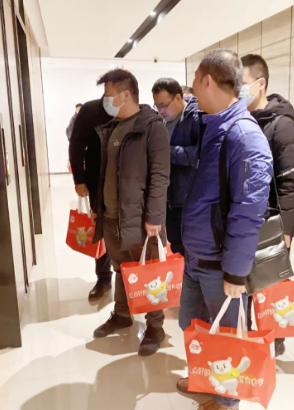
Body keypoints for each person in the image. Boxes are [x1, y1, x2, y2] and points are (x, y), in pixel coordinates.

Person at [177, 49, 273, 410]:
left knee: (228, 336)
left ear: (207, 80)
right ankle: (205, 377)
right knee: (193, 325)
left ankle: (226, 399)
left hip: (220, 264)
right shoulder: (212, 125)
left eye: (194, 81)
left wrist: (235, 271)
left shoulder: (244, 136)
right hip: (196, 256)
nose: (191, 89)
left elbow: (249, 212)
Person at [92, 69, 170, 357]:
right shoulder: (113, 128)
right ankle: (122, 314)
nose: (106, 101)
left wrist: (155, 217)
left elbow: (160, 175)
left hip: (140, 220)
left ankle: (155, 327)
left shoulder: (152, 127)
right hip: (112, 217)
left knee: (149, 275)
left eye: (109, 95)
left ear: (126, 95)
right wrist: (98, 208)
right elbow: (106, 174)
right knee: (121, 269)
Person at [241, 53, 294, 357]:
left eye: (241, 83)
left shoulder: (283, 126)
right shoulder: (243, 121)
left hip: (273, 222)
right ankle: (251, 336)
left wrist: (286, 231)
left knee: (269, 287)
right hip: (246, 219)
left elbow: (291, 184)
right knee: (246, 283)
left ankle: (274, 340)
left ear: (260, 83)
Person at [69, 100, 113, 302]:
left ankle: (129, 278)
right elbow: (76, 144)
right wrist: (79, 179)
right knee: (100, 228)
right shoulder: (90, 110)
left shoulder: (134, 107)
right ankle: (103, 278)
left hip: (128, 180)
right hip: (97, 179)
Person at [152, 78, 200, 256]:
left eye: (164, 105)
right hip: (170, 199)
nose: (161, 110)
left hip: (190, 200)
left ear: (178, 98)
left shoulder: (196, 117)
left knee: (193, 249)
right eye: (157, 106)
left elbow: (199, 154)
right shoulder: (161, 122)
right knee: (177, 245)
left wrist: (166, 152)